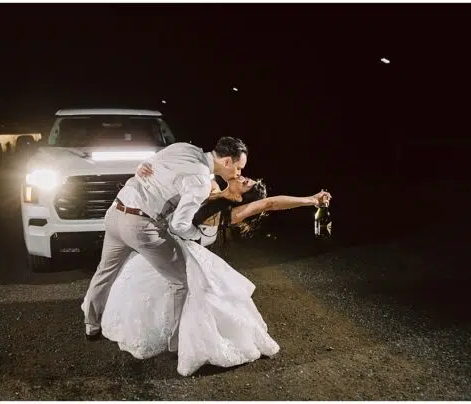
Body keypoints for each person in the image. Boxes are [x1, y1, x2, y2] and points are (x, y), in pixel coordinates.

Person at [101, 169, 332, 376]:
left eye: (246, 182)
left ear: (242, 196)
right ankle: (167, 335)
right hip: (163, 247)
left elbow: (269, 203)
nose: (242, 177)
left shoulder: (230, 213)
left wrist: (311, 200)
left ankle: (188, 341)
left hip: (183, 254)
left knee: (199, 299)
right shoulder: (210, 185)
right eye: (244, 176)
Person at [82, 137, 249, 351]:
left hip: (116, 213)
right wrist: (197, 235)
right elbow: (180, 225)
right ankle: (175, 343)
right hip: (140, 225)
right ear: (227, 162)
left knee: (104, 271)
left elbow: (148, 164)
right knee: (180, 282)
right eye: (238, 168)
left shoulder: (184, 148)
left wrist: (139, 167)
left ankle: (91, 325)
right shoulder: (200, 180)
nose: (238, 173)